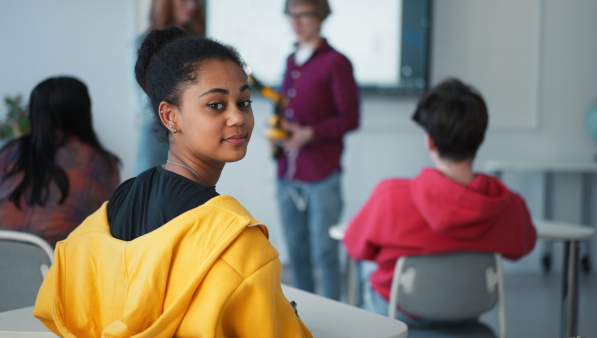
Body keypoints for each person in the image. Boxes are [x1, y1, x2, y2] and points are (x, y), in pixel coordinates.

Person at [33, 27, 312, 338]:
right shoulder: (237, 242)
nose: (238, 118)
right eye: (216, 105)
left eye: (244, 102)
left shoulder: (123, 196)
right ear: (170, 116)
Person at [342, 78, 537, 326]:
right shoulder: (509, 205)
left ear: (430, 141)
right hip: (467, 312)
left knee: (365, 272)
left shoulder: (391, 196)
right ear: (480, 140)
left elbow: (355, 247)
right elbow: (525, 246)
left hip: (398, 314)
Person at [274, 0, 360, 301]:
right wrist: (278, 131)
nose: (296, 21)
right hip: (287, 172)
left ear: (321, 17)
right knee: (296, 252)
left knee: (324, 253)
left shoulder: (336, 62)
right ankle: (304, 318)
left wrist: (310, 134)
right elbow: (285, 108)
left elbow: (350, 118)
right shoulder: (289, 60)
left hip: (321, 174)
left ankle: (336, 318)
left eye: (303, 15)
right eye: (291, 15)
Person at [0, 76, 120, 247]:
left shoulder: (9, 152)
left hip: (4, 262)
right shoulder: (100, 163)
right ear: (84, 112)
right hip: (56, 265)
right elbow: (109, 228)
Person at [134, 0, 205, 175]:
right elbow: (142, 101)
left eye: (196, 1)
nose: (192, 6)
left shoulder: (201, 43)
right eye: (185, 0)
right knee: (149, 196)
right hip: (156, 133)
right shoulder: (142, 43)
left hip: (192, 132)